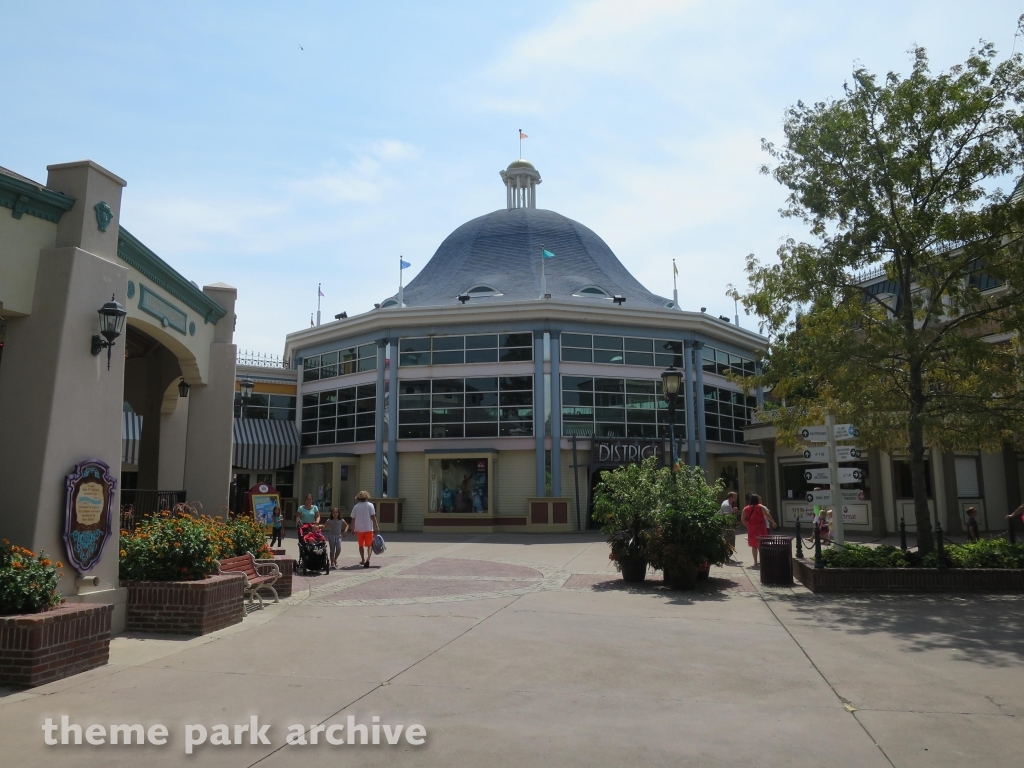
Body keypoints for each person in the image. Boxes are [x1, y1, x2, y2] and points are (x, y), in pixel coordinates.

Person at [741, 494, 777, 567]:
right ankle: (763, 560)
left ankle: (755, 562)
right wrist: (773, 522)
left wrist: (748, 525)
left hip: (752, 528)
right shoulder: (760, 507)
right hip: (761, 527)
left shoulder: (746, 508)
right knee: (762, 545)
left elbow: (742, 519)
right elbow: (767, 515)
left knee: (754, 546)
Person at [351, 490, 380, 568]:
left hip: (359, 529)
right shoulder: (370, 505)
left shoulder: (356, 506)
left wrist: (352, 528)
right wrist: (377, 526)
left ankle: (363, 559)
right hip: (368, 528)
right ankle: (368, 559)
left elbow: (353, 518)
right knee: (369, 545)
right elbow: (373, 516)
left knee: (361, 545)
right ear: (367, 497)